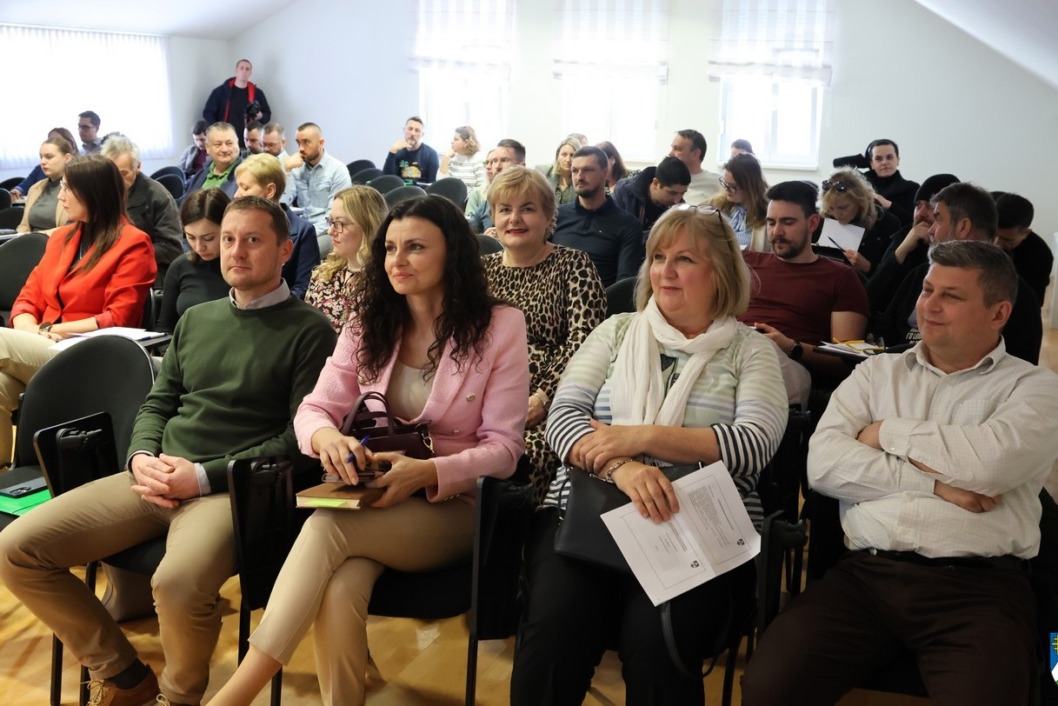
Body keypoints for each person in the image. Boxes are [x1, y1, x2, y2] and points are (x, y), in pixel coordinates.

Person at [0, 195, 336, 705]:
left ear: (285, 249)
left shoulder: (309, 330)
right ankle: (125, 677)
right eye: (228, 239)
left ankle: (179, 698)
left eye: (252, 241)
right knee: (16, 550)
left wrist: (200, 477)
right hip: (153, 477)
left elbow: (297, 442)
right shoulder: (197, 319)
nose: (235, 252)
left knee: (177, 582)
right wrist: (140, 458)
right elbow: (157, 404)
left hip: (227, 490)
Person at [206, 195, 529, 706]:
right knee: (339, 588)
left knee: (328, 524)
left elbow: (506, 450)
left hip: (453, 505)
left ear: (453, 257)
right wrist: (327, 438)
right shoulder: (370, 318)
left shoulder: (499, 327)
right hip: (378, 495)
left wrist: (425, 474)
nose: (397, 261)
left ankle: (235, 694)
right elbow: (313, 409)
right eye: (391, 248)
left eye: (416, 248)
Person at [742, 240, 1058, 706]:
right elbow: (823, 465)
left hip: (977, 590)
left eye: (951, 296)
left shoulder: (1032, 387)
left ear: (999, 313)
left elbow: (989, 466)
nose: (928, 305)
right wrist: (934, 483)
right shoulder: (876, 374)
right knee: (767, 688)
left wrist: (886, 431)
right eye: (927, 289)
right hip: (866, 576)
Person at [510, 204, 788, 705]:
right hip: (588, 513)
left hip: (697, 523)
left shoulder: (751, 350)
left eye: (684, 259)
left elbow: (753, 444)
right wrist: (623, 467)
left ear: (720, 272)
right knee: (553, 632)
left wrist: (639, 437)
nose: (665, 270)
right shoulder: (617, 331)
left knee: (656, 641)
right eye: (658, 257)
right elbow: (562, 418)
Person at [0, 155, 157, 464]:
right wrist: (29, 327)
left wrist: (48, 331)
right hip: (47, 347)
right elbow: (27, 298)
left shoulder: (133, 243)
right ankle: (7, 474)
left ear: (93, 192)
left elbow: (117, 318)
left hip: (93, 357)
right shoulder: (60, 239)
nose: (60, 196)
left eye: (68, 189)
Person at [483, 166, 607, 502]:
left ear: (549, 216)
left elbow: (586, 342)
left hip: (548, 406)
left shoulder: (573, 265)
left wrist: (543, 398)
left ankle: (510, 548)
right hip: (482, 400)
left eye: (527, 208)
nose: (515, 219)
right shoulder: (481, 270)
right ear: (493, 217)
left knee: (519, 462)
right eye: (505, 209)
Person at [874, 182, 1043, 364]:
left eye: (938, 218)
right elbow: (883, 329)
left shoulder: (1014, 294)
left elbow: (1019, 367)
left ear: (963, 227)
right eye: (928, 291)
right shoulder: (920, 274)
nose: (930, 229)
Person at [740, 181, 869, 388]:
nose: (776, 232)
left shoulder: (841, 277)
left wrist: (791, 347)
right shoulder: (746, 262)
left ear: (812, 224)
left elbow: (847, 362)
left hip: (785, 368)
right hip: (729, 350)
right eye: (771, 223)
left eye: (788, 222)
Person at [865, 173, 960, 313]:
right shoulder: (904, 236)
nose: (920, 213)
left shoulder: (958, 251)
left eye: (930, 206)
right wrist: (902, 250)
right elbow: (870, 295)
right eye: (918, 205)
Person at [551, 146, 645, 287]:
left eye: (588, 170)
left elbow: (624, 284)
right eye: (575, 171)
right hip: (550, 300)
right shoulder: (557, 215)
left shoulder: (627, 225)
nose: (579, 177)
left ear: (605, 173)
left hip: (599, 303)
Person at [234, 153, 321, 299]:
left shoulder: (302, 231)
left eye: (245, 188)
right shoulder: (234, 227)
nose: (237, 195)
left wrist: (269, 305)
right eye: (238, 187)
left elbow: (304, 287)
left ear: (269, 191)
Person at [305, 185, 388, 331]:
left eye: (340, 224)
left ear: (367, 227)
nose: (330, 231)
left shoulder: (385, 282)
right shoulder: (323, 275)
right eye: (331, 222)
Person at [101, 134, 184, 279]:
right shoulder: (100, 191)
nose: (115, 180)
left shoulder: (158, 197)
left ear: (137, 166)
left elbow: (171, 248)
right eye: (110, 173)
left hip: (144, 269)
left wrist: (124, 254)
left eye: (123, 174)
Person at [158, 189, 232, 333]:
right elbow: (164, 327)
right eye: (191, 237)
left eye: (208, 238)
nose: (199, 247)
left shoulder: (242, 269)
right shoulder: (180, 266)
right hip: (183, 351)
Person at [818, 167, 900, 277]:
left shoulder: (887, 224)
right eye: (831, 208)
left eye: (843, 208)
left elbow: (892, 277)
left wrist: (868, 267)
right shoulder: (824, 219)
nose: (837, 215)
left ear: (860, 201)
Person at [284, 122, 353, 235]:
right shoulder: (296, 167)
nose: (301, 148)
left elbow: (334, 216)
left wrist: (307, 234)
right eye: (298, 143)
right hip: (299, 226)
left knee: (300, 249)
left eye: (306, 142)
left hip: (327, 231)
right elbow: (284, 203)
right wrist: (286, 171)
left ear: (321, 143)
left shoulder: (338, 170)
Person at [993, 191, 1053, 305]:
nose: (997, 244)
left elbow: (1034, 302)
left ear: (1026, 233)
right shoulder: (979, 225)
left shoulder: (1041, 255)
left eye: (1007, 240)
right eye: (993, 235)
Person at [202, 59, 271, 149]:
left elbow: (267, 114)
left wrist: (260, 116)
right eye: (241, 68)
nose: (244, 71)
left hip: (249, 141)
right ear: (236, 70)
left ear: (250, 72)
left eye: (247, 69)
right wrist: (218, 129)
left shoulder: (257, 93)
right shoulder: (221, 92)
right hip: (225, 141)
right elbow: (207, 113)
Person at [612, 155, 691, 232]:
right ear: (656, 183)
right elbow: (615, 232)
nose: (677, 201)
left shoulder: (680, 208)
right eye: (672, 193)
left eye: (682, 193)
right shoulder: (624, 191)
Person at [709, 152, 769, 251]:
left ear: (750, 187)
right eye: (725, 183)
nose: (727, 189)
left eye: (733, 187)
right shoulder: (717, 203)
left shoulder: (766, 214)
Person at [16, 136, 75, 234]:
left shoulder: (78, 188)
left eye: (49, 157)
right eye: (41, 157)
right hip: (31, 243)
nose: (42, 162)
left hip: (59, 243)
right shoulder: (35, 188)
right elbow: (24, 226)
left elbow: (74, 228)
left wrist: (37, 236)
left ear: (67, 158)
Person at [466, 139, 526, 233]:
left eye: (504, 160)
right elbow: (467, 233)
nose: (497, 166)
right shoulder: (487, 204)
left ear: (521, 166)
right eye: (494, 161)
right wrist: (485, 238)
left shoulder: (534, 200)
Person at [9, 127, 78, 202]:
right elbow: (24, 185)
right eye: (49, 141)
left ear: (70, 143)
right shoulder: (40, 169)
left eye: (57, 141)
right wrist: (17, 190)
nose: (43, 162)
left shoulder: (79, 172)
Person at [863, 138, 918, 227]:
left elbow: (914, 221)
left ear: (898, 160)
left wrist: (889, 205)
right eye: (878, 159)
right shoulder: (861, 187)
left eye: (889, 157)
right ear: (871, 163)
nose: (884, 162)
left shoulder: (912, 188)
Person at [182, 122, 242, 203]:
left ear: (237, 144)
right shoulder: (202, 172)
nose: (224, 149)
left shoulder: (246, 174)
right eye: (218, 144)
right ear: (207, 147)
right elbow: (185, 201)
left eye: (229, 143)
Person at [382, 116, 440, 184]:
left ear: (422, 135)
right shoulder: (396, 152)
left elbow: (433, 184)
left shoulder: (431, 154)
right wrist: (392, 152)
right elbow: (386, 181)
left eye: (417, 130)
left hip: (421, 193)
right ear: (404, 130)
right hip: (399, 192)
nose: (413, 133)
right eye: (410, 129)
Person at [669, 128, 721, 205]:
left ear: (695, 153)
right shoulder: (664, 179)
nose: (670, 153)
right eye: (672, 148)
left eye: (677, 149)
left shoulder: (717, 183)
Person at [438, 125, 485, 190]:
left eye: (456, 139)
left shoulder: (479, 159)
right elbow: (441, 183)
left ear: (466, 142)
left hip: (470, 199)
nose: (452, 142)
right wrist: (445, 158)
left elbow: (482, 188)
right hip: (451, 197)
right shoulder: (452, 159)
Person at [538, 138, 579, 205]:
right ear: (557, 156)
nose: (568, 160)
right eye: (564, 154)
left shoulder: (580, 178)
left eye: (572, 155)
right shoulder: (544, 173)